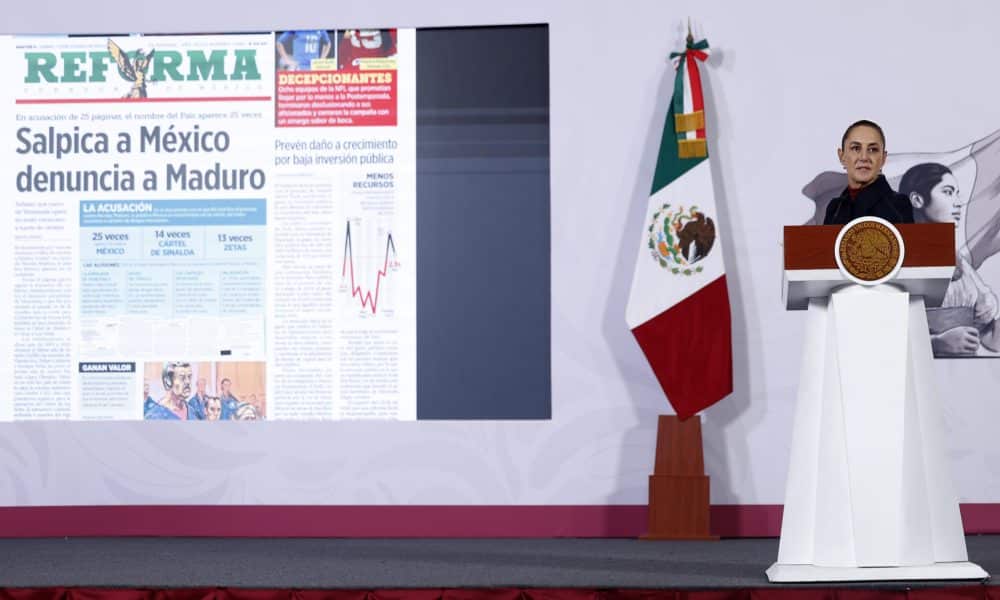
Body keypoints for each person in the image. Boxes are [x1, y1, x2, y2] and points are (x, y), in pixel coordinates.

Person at [899, 162, 1000, 355]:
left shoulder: (958, 259)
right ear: (917, 200)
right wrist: (935, 343)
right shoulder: (896, 254)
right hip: (916, 371)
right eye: (948, 192)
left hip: (962, 373)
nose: (958, 202)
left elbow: (989, 337)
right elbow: (877, 330)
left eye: (957, 193)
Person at [824, 120, 915, 225]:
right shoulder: (835, 208)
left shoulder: (898, 205)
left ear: (883, 158)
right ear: (842, 156)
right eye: (856, 148)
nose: (864, 157)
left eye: (872, 150)